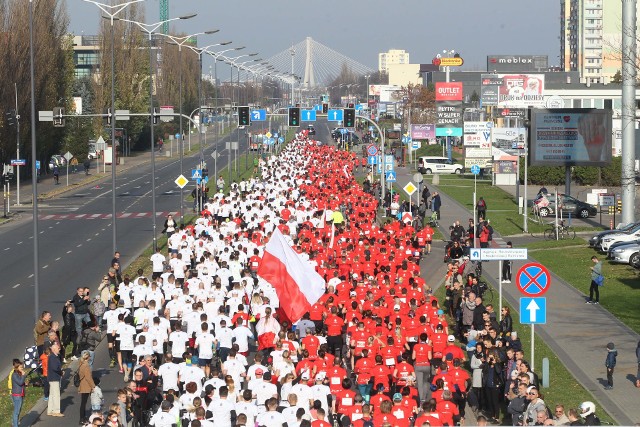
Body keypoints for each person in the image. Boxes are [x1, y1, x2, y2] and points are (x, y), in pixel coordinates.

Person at [78, 350, 96, 423]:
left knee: (83, 402)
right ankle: (82, 418)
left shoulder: (81, 364)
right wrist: (93, 386)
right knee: (83, 403)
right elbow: (88, 377)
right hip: (86, 386)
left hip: (83, 384)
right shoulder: (86, 366)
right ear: (87, 357)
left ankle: (83, 417)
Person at [47, 341, 64, 417]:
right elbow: (55, 368)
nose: (59, 349)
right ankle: (56, 411)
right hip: (54, 378)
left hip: (52, 378)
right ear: (53, 349)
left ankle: (50, 410)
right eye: (58, 348)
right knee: (56, 395)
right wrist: (61, 372)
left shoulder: (52, 356)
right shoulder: (53, 357)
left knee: (52, 395)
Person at [10, 359, 27, 427]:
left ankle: (14, 423)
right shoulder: (14, 375)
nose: (22, 368)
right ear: (17, 367)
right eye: (21, 367)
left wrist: (24, 383)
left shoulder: (17, 373)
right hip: (17, 395)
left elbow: (20, 382)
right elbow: (20, 382)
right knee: (16, 412)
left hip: (20, 394)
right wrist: (23, 375)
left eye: (22, 367)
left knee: (18, 410)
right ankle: (15, 425)